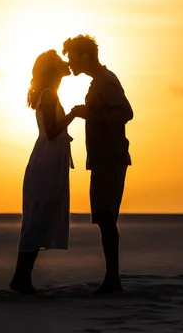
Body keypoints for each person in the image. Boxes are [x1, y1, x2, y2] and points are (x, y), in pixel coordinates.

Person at [62, 34, 134, 294]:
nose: (69, 63)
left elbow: (126, 112)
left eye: (71, 56)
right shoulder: (99, 82)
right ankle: (111, 280)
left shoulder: (105, 81)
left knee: (106, 217)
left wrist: (91, 114)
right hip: (103, 158)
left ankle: (113, 281)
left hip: (110, 158)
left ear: (84, 56)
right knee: (105, 218)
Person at [9, 49, 84, 294]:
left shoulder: (49, 94)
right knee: (37, 219)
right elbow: (52, 132)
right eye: (60, 64)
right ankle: (20, 279)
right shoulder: (49, 95)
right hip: (47, 162)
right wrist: (73, 114)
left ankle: (23, 278)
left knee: (38, 219)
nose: (65, 66)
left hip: (49, 161)